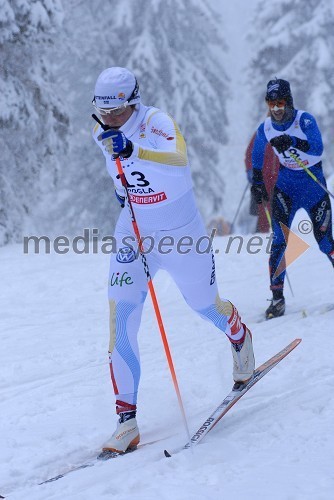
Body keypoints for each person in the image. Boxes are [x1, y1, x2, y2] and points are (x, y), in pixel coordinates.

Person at [91, 67, 255, 454]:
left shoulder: (156, 122)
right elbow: (120, 180)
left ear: (132, 103)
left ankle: (238, 335)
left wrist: (135, 153)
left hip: (182, 234)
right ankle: (126, 419)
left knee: (205, 306)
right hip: (134, 232)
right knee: (122, 319)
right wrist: (122, 194)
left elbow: (178, 160)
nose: (108, 120)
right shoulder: (101, 130)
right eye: (102, 112)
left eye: (115, 112)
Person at [251, 78, 334, 319]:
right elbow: (257, 154)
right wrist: (256, 182)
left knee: (325, 243)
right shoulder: (266, 127)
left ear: (289, 101)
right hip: (286, 188)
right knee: (279, 242)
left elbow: (317, 149)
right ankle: (277, 299)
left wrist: (293, 141)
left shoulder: (304, 120)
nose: (276, 108)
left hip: (313, 189)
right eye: (271, 103)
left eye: (280, 103)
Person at [245, 129, 279, 232]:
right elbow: (250, 154)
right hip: (263, 177)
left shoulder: (289, 131)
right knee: (263, 209)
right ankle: (262, 235)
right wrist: (250, 169)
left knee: (282, 208)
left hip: (281, 178)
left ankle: (282, 235)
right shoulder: (262, 132)